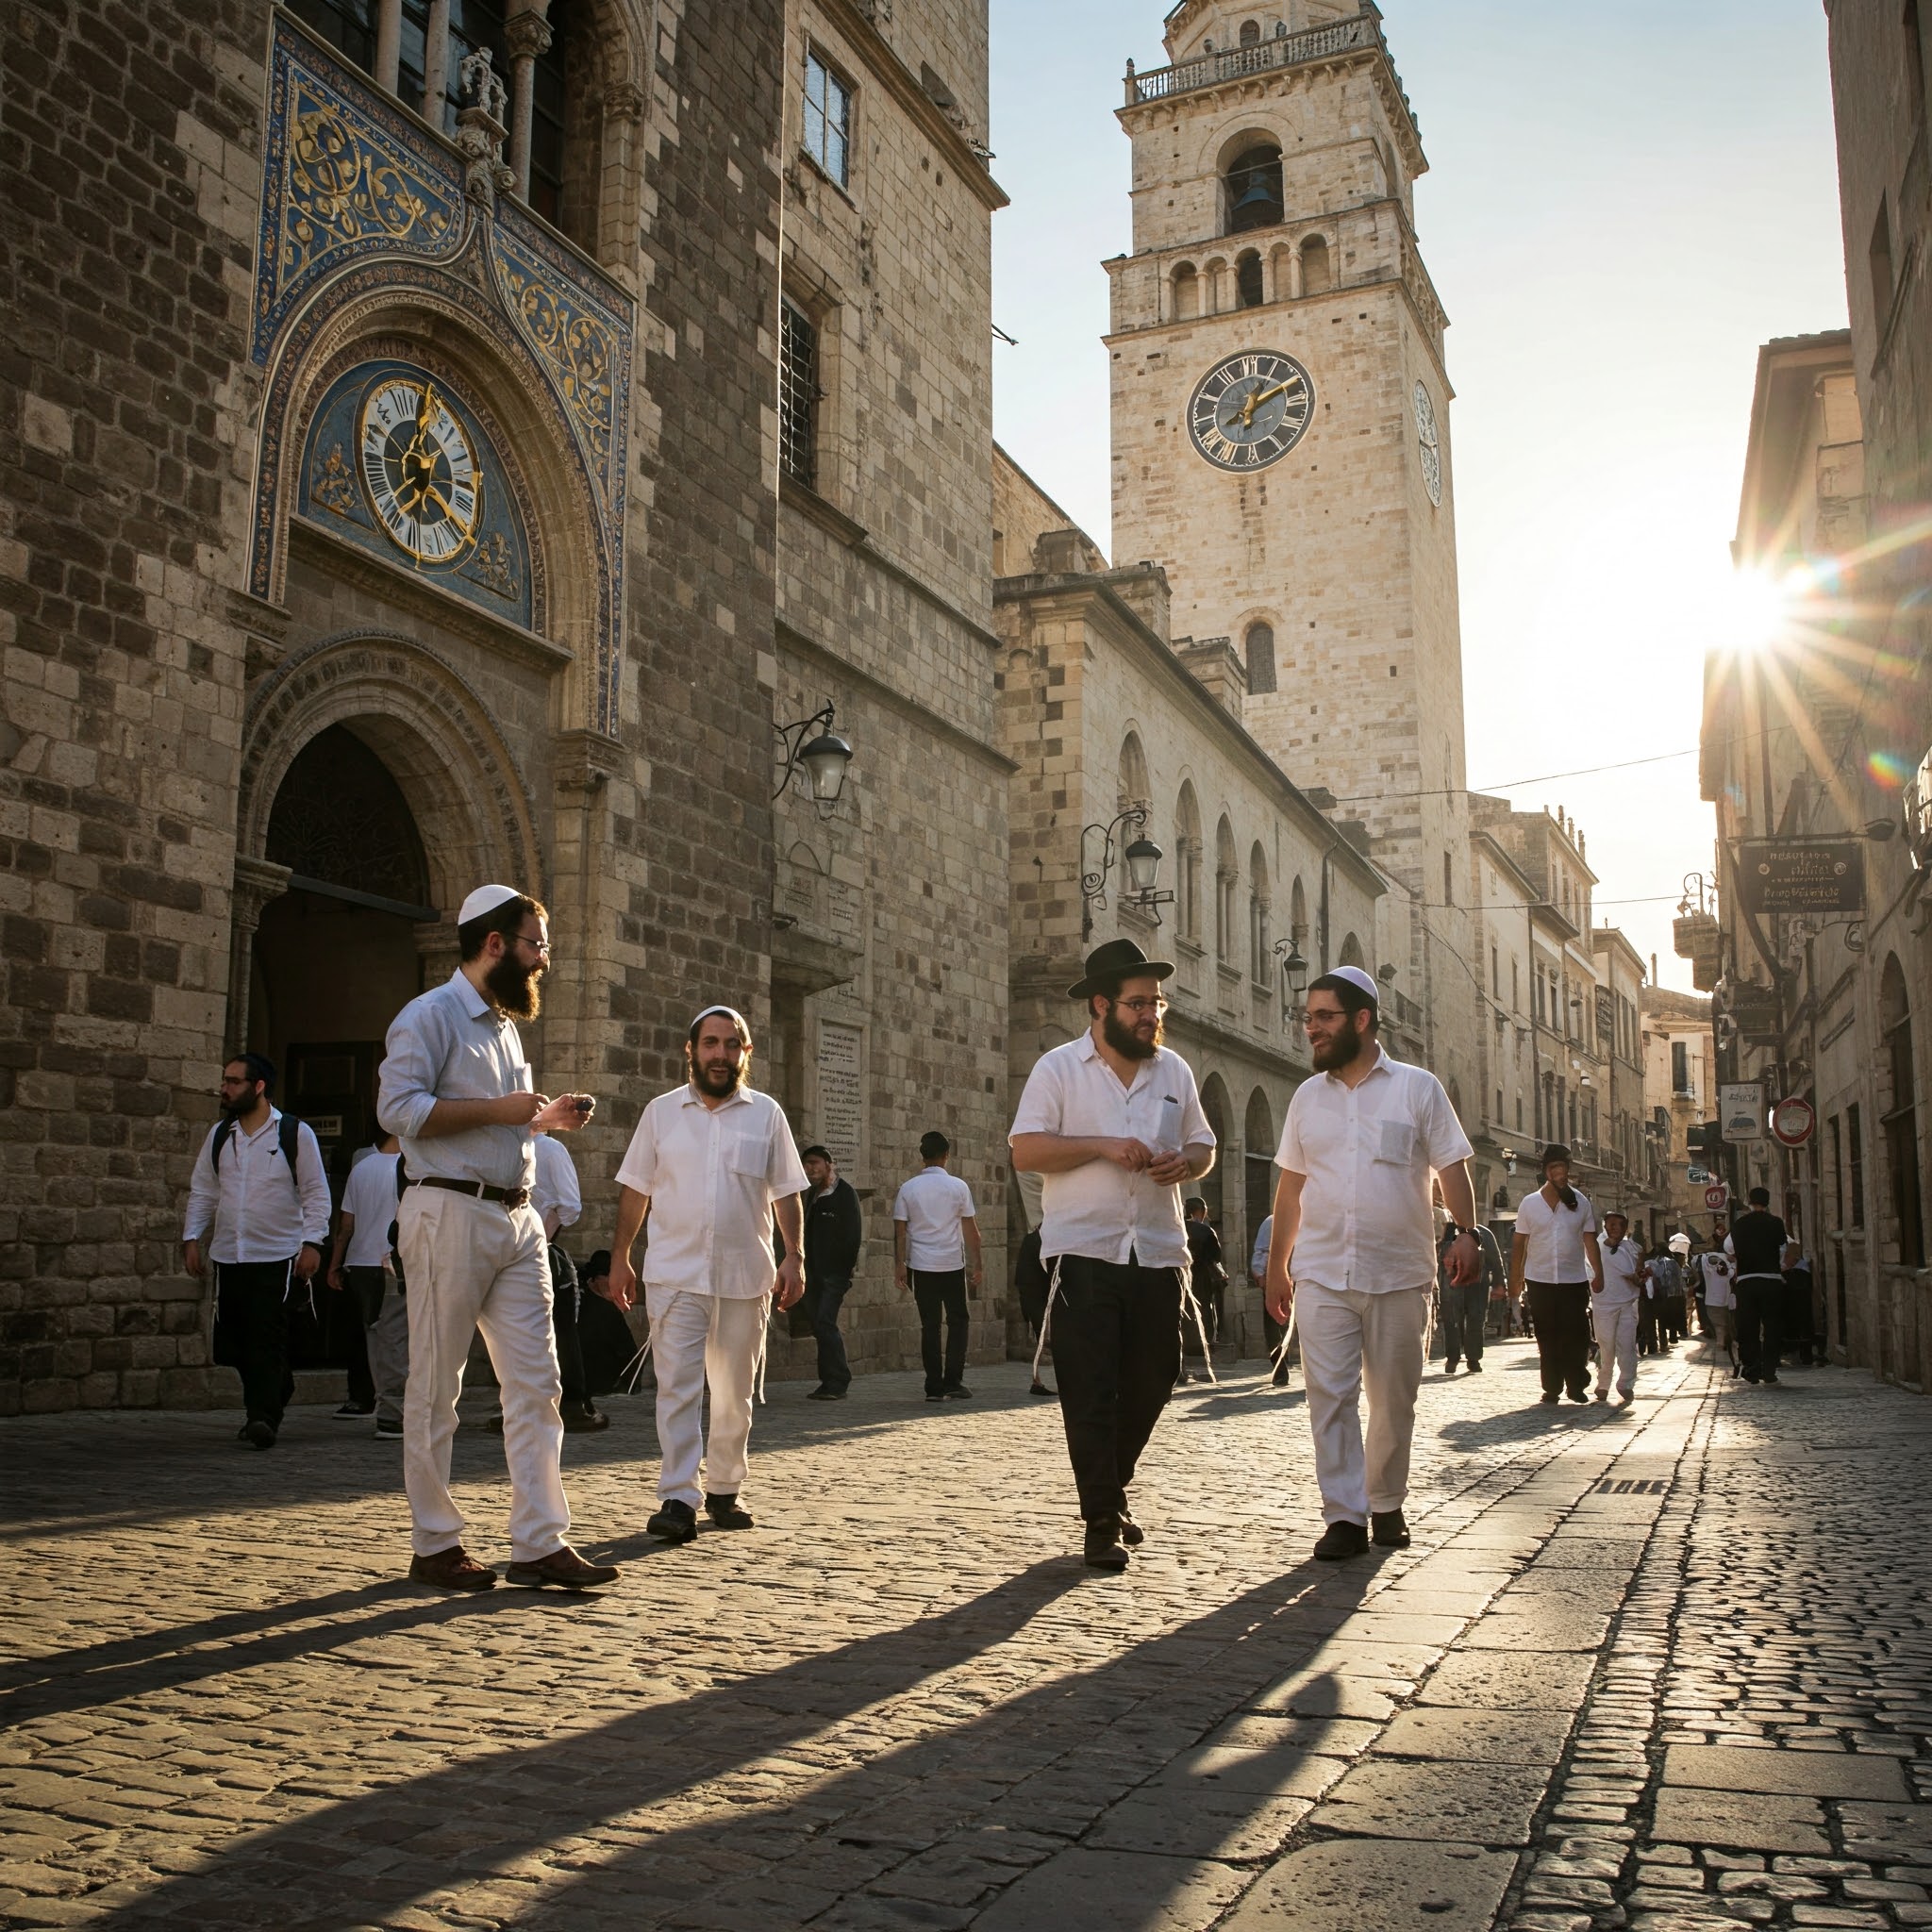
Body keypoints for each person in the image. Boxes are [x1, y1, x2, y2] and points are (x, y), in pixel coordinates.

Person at [377, 884, 616, 1593]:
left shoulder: (506, 1027)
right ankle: (435, 1542)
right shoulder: (429, 1016)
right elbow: (398, 1110)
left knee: (539, 1385)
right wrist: (500, 1109)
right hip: (447, 1214)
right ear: (494, 945)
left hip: (516, 1220)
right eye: (536, 944)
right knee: (436, 1388)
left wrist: (542, 1122)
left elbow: (498, 1122)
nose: (543, 959)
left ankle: (540, 1542)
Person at [1011, 939, 1216, 1571]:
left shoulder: (1174, 1071)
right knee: (1090, 1387)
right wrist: (1100, 1144)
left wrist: (1186, 1164)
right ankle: (1100, 1517)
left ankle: (1110, 1488)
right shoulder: (1058, 1069)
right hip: (1082, 1252)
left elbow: (1204, 1146)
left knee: (1155, 1377)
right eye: (1138, 1003)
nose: (1152, 1014)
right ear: (1101, 1006)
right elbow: (1026, 1151)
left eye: (1157, 1002)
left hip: (1157, 1252)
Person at [1262, 967, 1478, 1562]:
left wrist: (1465, 1233)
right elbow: (1290, 1189)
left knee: (1392, 1399)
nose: (1312, 1029)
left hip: (1400, 1273)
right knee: (1327, 1396)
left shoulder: (1417, 1088)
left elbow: (1453, 1165)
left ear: (1361, 1020)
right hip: (1323, 1272)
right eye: (1308, 1018)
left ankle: (1385, 1501)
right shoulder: (1307, 1097)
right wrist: (1278, 1266)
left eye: (1324, 1017)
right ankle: (1344, 1517)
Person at [609, 1006, 809, 1542]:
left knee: (734, 1390)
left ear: (746, 1053)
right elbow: (636, 1189)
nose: (719, 1054)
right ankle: (678, 1496)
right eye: (710, 1043)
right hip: (674, 1274)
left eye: (730, 1044)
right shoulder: (660, 1113)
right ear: (691, 1051)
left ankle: (724, 1488)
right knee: (675, 1388)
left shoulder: (767, 1114)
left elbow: (786, 1191)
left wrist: (795, 1255)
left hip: (745, 1276)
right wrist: (620, 1256)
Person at [182, 1054, 332, 1449]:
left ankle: (261, 1417)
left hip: (278, 1255)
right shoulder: (220, 1135)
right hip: (230, 1254)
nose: (224, 1088)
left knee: (265, 1337)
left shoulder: (294, 1134)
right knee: (235, 1342)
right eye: (225, 1081)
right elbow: (204, 1189)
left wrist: (312, 1243)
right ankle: (277, 1387)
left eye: (233, 1081)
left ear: (258, 1086)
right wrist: (191, 1238)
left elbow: (316, 1191)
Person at [326, 1130, 408, 1440]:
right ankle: (391, 1408)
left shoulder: (362, 1167)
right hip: (391, 1261)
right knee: (396, 1338)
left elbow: (346, 1226)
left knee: (372, 1336)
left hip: (360, 1261)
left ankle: (374, 1400)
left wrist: (334, 1264)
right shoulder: (410, 1167)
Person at [1508, 1145, 1602, 1406]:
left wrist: (1599, 1273)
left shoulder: (1581, 1203)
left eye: (1562, 1168)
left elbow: (1590, 1241)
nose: (1558, 1172)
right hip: (1539, 1280)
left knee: (1577, 1333)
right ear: (1546, 1172)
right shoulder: (1530, 1204)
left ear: (1567, 1171)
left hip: (1574, 1280)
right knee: (1547, 1335)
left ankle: (1576, 1384)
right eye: (1553, 1168)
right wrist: (1514, 1279)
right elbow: (1519, 1244)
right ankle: (1552, 1387)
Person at [893, 1131, 983, 1402]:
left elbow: (900, 1231)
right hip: (952, 1264)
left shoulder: (908, 1189)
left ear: (922, 1157)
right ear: (946, 1155)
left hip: (921, 1265)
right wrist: (978, 1264)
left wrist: (900, 1265)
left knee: (929, 1325)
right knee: (958, 1321)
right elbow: (971, 1231)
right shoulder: (958, 1187)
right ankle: (953, 1380)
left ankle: (933, 1385)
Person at [532, 1128, 607, 1433]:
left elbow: (570, 1206)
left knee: (559, 1327)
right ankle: (526, 1404)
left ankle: (571, 1402)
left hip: (537, 1247)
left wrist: (542, 1235)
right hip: (501, 1248)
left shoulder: (549, 1149)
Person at [800, 1144, 863, 1401]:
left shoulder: (845, 1194)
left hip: (833, 1275)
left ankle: (837, 1381)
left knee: (825, 1322)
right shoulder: (811, 1195)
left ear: (829, 1164)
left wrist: (841, 1273)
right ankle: (828, 1381)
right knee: (819, 1324)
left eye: (815, 1163)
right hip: (813, 1273)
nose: (810, 1169)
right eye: (806, 1165)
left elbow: (852, 1235)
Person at [1726, 1188, 1790, 1385]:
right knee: (1772, 1326)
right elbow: (1783, 1247)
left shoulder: (1739, 1224)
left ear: (1750, 1202)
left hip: (1747, 1280)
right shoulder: (1776, 1223)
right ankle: (1770, 1370)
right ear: (1768, 1202)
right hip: (1771, 1280)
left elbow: (1728, 1248)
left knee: (1748, 1326)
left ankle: (1752, 1369)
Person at [1591, 1210, 1647, 1404]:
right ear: (1605, 1226)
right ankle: (1603, 1383)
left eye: (1621, 1225)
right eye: (1612, 1224)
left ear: (1626, 1229)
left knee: (1627, 1346)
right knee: (1606, 1345)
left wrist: (1639, 1276)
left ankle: (1626, 1383)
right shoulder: (1595, 1247)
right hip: (1603, 1304)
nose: (1616, 1228)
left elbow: (1638, 1274)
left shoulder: (1634, 1248)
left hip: (1627, 1303)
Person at [1438, 1216, 1499, 1374]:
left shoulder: (1484, 1233)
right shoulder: (1447, 1231)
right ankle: (1452, 1357)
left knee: (1476, 1320)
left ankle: (1473, 1358)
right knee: (1451, 1322)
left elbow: (1495, 1260)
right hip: (1451, 1286)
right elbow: (1437, 1257)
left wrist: (1499, 1283)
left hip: (1477, 1286)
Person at [1181, 1196, 1226, 1381]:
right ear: (1202, 1210)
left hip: (1180, 1278)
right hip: (1201, 1280)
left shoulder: (1177, 1227)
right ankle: (1203, 1368)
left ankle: (1180, 1368)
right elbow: (1215, 1256)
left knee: (1180, 1321)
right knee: (1204, 1319)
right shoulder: (1205, 1231)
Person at [1252, 1212, 1291, 1387]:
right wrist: (1260, 1274)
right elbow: (1262, 1249)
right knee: (1273, 1324)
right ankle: (1279, 1367)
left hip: (1304, 1277)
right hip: (1275, 1278)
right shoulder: (1273, 1220)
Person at [1696, 1236, 1737, 1368]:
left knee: (1723, 1327)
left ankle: (1723, 1348)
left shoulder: (1706, 1259)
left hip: (1721, 1299)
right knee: (1722, 1326)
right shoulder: (1715, 1259)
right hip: (1718, 1300)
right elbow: (1723, 1272)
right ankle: (1722, 1350)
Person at [1783, 1241, 1817, 1366]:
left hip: (1800, 1306)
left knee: (1801, 1329)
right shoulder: (1791, 1269)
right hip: (1793, 1307)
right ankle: (1797, 1354)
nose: (1785, 1259)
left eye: (1787, 1256)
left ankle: (1803, 1355)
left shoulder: (1801, 1270)